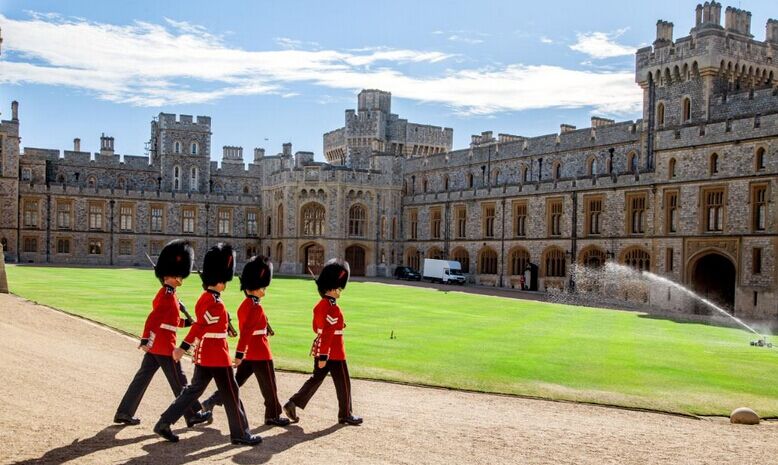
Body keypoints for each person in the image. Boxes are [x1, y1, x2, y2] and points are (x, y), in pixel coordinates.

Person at [154, 243, 262, 446]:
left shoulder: (207, 298)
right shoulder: (215, 302)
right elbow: (200, 326)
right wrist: (182, 347)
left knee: (193, 391)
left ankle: (164, 422)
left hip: (205, 354)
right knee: (232, 393)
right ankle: (240, 433)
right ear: (220, 281)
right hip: (217, 355)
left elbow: (206, 325)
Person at [114, 239, 211, 428]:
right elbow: (153, 319)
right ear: (171, 275)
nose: (181, 278)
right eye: (179, 275)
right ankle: (193, 414)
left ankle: (124, 412)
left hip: (157, 346)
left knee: (141, 379)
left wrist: (187, 322)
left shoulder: (170, 294)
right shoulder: (167, 295)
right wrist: (145, 339)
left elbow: (169, 321)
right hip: (165, 346)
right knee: (180, 381)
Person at [200, 255, 290, 427]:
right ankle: (272, 415)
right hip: (260, 352)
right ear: (255, 287)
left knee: (235, 384)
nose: (265, 289)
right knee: (270, 387)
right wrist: (239, 353)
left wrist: (244, 351)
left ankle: (211, 401)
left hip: (250, 353)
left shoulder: (246, 305)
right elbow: (247, 332)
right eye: (263, 286)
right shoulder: (255, 306)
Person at [283, 259, 362, 426]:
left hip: (322, 349)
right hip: (334, 351)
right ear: (332, 289)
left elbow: (316, 328)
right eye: (339, 288)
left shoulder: (320, 305)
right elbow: (327, 333)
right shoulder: (333, 307)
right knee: (343, 384)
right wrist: (324, 356)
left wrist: (322, 354)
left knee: (316, 379)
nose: (340, 291)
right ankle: (345, 414)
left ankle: (293, 403)